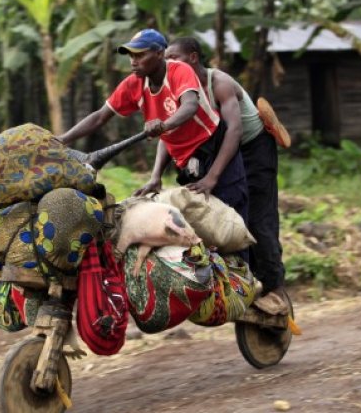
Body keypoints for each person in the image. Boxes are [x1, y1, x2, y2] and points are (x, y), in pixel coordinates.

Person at [59, 29, 249, 233]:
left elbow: (190, 105)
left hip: (214, 149)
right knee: (203, 229)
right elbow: (99, 116)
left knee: (231, 225)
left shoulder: (179, 70)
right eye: (131, 56)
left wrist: (212, 177)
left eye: (140, 55)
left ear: (159, 53)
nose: (133, 61)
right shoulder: (133, 84)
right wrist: (62, 139)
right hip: (187, 164)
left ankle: (244, 264)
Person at [164, 37, 290, 309]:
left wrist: (212, 178)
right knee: (221, 220)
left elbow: (235, 130)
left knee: (257, 220)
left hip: (251, 149)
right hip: (218, 151)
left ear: (194, 58)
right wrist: (155, 176)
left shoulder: (218, 82)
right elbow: (168, 132)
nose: (169, 64)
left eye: (174, 58)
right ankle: (240, 283)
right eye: (165, 59)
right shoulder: (177, 90)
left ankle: (276, 289)